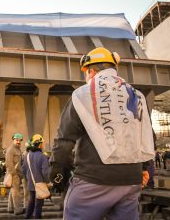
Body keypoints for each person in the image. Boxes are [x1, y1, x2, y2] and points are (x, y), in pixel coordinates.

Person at [49, 47, 155, 220]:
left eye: (85, 73)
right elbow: (145, 136)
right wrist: (144, 169)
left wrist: (57, 171)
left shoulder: (81, 94)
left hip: (93, 181)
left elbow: (64, 140)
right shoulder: (137, 95)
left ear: (91, 70)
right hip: (131, 181)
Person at [22, 134, 50, 219]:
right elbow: (45, 172)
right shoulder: (42, 156)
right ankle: (37, 217)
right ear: (40, 144)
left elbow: (24, 169)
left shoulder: (27, 156)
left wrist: (28, 179)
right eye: (42, 143)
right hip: (40, 183)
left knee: (32, 201)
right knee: (39, 203)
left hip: (31, 183)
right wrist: (47, 182)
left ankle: (27, 216)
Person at [6, 133, 24, 215]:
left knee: (13, 191)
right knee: (16, 192)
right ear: (13, 140)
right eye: (17, 140)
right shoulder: (11, 150)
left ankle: (10, 208)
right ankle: (18, 209)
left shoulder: (18, 149)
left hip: (17, 173)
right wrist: (13, 174)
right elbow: (9, 163)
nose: (18, 141)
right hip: (14, 174)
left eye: (19, 140)